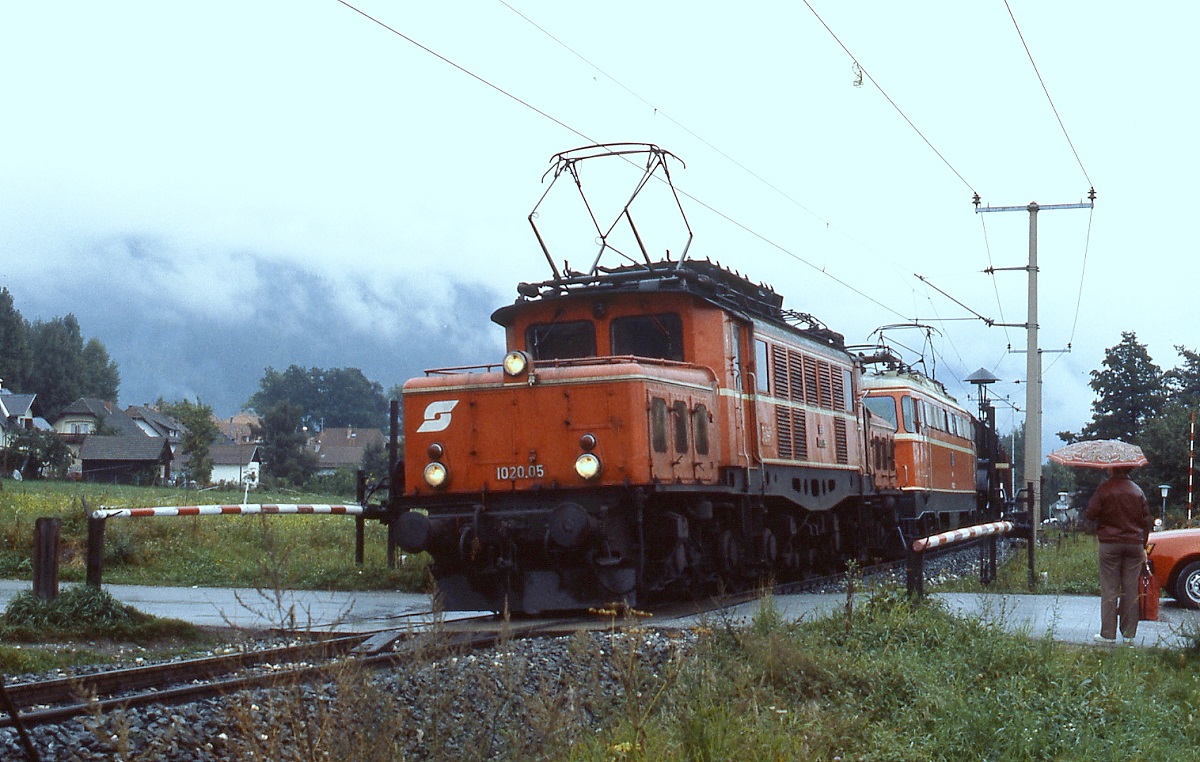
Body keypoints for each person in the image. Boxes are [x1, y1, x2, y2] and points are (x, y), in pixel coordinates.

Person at [1083, 467, 1153, 644]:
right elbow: (1146, 522)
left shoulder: (1104, 489)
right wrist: (1143, 545)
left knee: (1109, 588)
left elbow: (1090, 513)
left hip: (1110, 544)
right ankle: (1129, 635)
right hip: (1134, 545)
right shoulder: (1138, 491)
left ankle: (1108, 634)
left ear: (1112, 469)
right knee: (1131, 589)